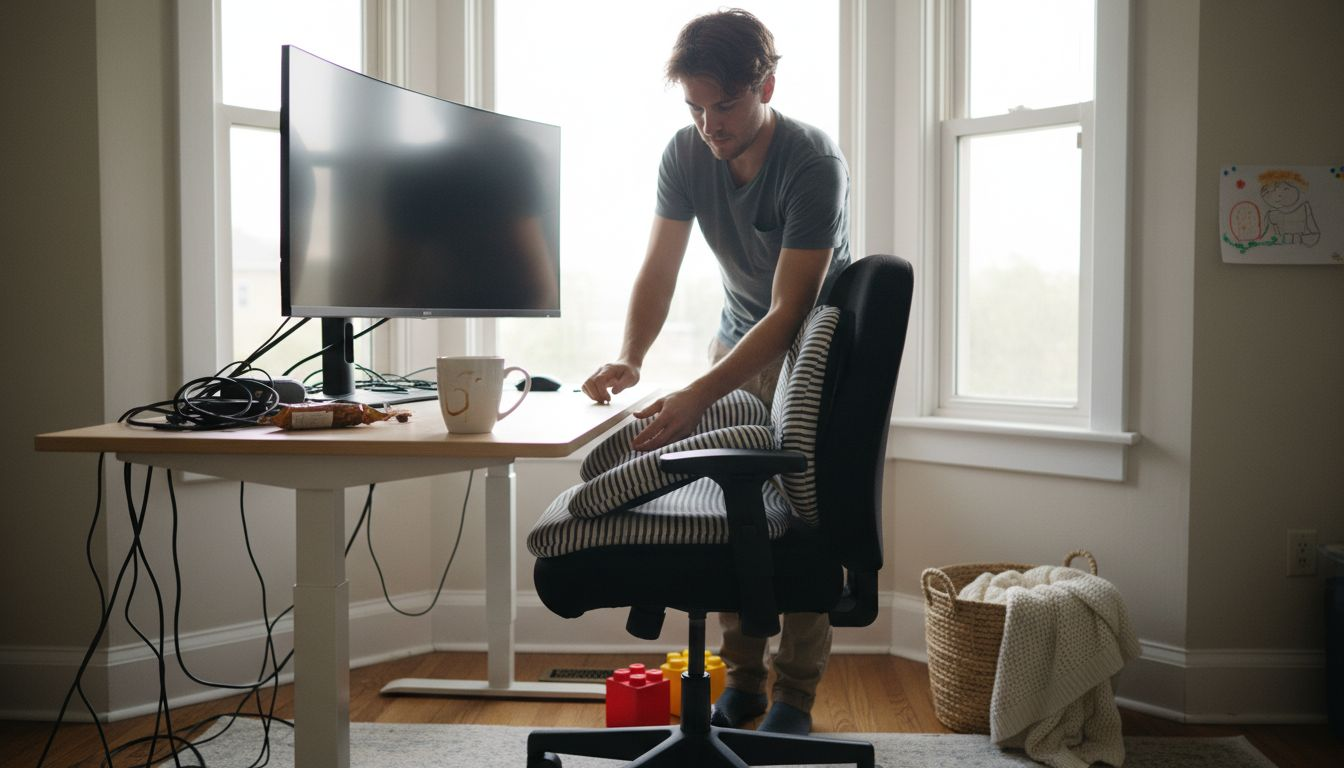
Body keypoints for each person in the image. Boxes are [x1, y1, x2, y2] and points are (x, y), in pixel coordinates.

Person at [580, 8, 851, 736]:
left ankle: (795, 696)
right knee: (737, 514)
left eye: (724, 105)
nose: (709, 125)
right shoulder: (685, 153)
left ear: (766, 86)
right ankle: (745, 682)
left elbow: (791, 310)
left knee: (802, 526)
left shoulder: (812, 164)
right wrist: (632, 356)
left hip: (810, 359)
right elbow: (659, 267)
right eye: (695, 108)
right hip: (735, 347)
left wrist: (698, 396)